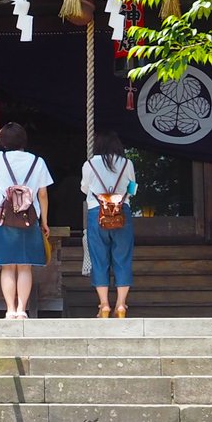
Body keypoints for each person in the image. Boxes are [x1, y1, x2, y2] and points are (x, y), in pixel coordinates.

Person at [0, 122, 52, 319]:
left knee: (7, 265)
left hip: (5, 217)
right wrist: (44, 221)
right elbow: (43, 194)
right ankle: (22, 310)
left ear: (4, 141)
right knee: (25, 265)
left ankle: (10, 310)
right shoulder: (38, 162)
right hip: (29, 217)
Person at [81, 132, 137, 317]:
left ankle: (104, 304)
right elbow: (133, 188)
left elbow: (84, 188)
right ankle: (121, 304)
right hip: (122, 213)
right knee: (122, 258)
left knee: (99, 260)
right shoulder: (127, 163)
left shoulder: (89, 164)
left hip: (97, 212)